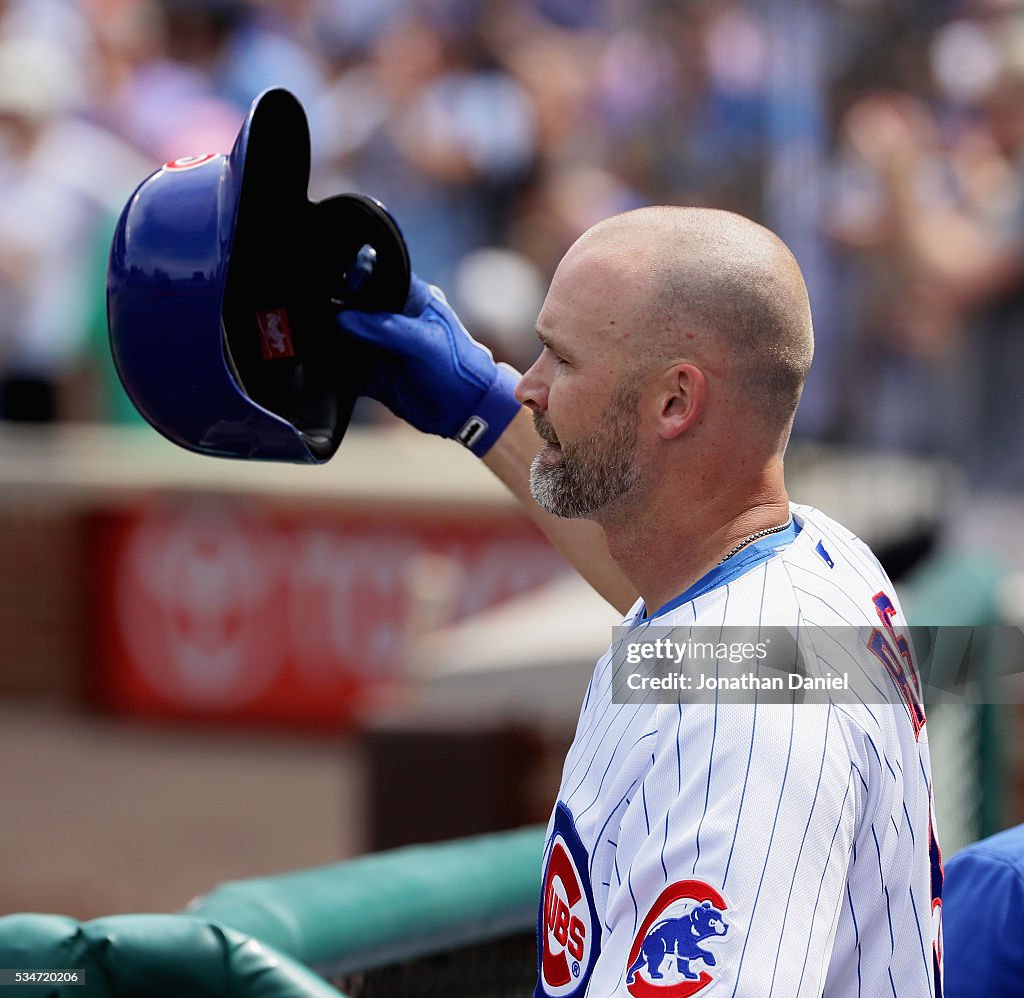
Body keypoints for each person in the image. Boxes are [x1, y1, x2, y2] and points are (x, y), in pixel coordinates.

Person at [339, 205, 942, 996]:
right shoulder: (806, 563)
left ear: (673, 403)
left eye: (561, 359)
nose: (529, 385)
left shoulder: (750, 720)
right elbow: (671, 597)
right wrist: (474, 407)